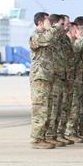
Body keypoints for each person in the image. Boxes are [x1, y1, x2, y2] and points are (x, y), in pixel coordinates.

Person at [29, 12, 55, 148]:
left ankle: (43, 137)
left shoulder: (46, 35)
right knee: (40, 108)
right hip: (39, 77)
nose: (49, 23)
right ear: (40, 22)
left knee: (47, 108)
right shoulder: (36, 36)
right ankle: (36, 139)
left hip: (46, 76)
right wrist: (51, 28)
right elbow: (47, 38)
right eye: (47, 21)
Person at [45, 13, 71, 146]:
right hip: (53, 77)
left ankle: (56, 134)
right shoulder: (49, 37)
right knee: (54, 108)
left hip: (62, 77)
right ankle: (50, 135)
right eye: (64, 24)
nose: (67, 27)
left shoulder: (62, 38)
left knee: (61, 108)